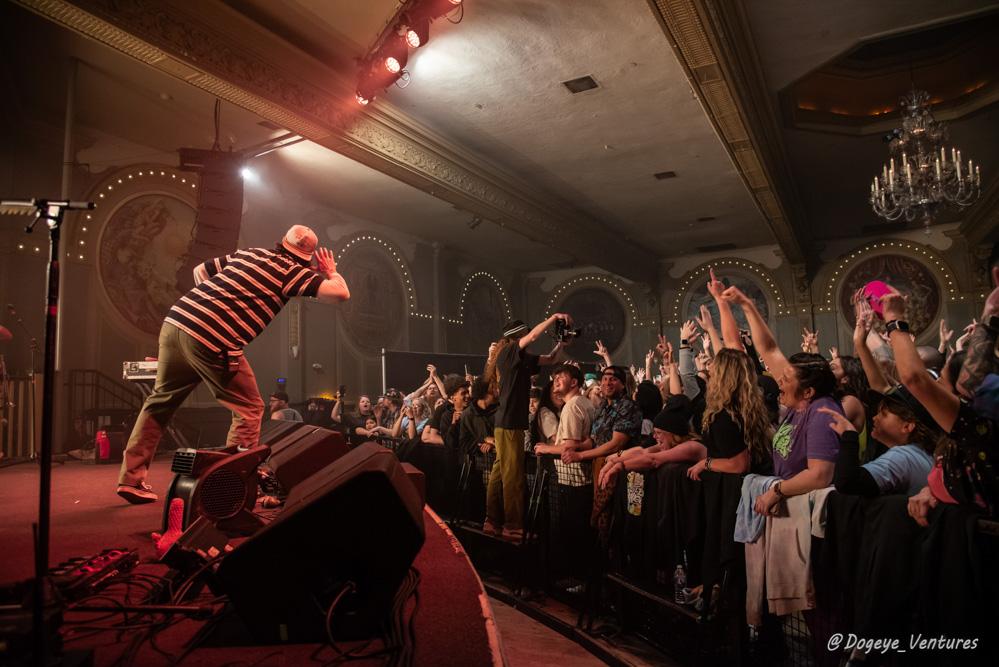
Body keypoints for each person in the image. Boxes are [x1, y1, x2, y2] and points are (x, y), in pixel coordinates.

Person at [116, 225, 349, 504]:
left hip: (176, 322)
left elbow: (201, 271)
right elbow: (340, 293)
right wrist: (330, 270)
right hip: (213, 338)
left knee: (160, 401)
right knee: (250, 408)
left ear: (282, 242)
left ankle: (131, 480)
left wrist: (211, 305)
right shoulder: (294, 272)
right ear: (308, 258)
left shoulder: (251, 254)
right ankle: (230, 488)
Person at [483, 316, 570, 541]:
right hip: (510, 422)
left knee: (500, 472)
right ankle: (512, 525)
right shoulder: (510, 350)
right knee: (513, 477)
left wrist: (562, 343)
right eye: (526, 334)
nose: (530, 337)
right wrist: (553, 318)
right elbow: (532, 336)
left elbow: (551, 359)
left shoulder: (519, 357)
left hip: (507, 422)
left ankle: (492, 521)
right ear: (518, 335)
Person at [822, 391, 935, 497]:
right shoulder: (924, 454)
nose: (875, 418)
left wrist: (849, 435)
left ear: (907, 426)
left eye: (883, 414)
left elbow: (847, 482)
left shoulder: (902, 457)